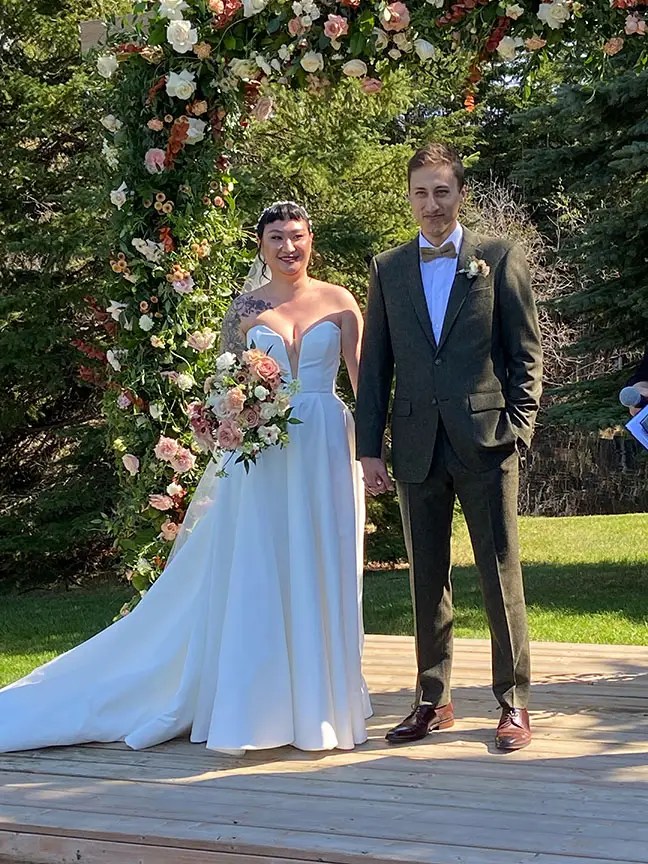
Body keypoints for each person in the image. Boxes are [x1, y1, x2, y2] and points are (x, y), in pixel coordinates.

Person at [0, 201, 371, 755]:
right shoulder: (245, 307)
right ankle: (260, 703)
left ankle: (323, 699)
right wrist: (238, 413)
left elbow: (364, 385)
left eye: (297, 236)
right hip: (265, 453)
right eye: (276, 238)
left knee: (322, 559)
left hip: (322, 444)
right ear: (261, 245)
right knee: (262, 564)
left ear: (311, 239)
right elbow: (224, 384)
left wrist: (372, 452)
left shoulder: (340, 302)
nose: (288, 247)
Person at [356, 143, 542, 751]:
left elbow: (526, 354)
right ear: (408, 198)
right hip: (415, 444)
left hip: (487, 441)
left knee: (498, 574)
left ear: (460, 194)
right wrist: (370, 448)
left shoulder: (498, 257)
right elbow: (375, 364)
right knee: (426, 579)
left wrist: (518, 428)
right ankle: (431, 700)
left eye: (442, 191)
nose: (431, 204)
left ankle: (513, 703)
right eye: (420, 192)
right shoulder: (387, 267)